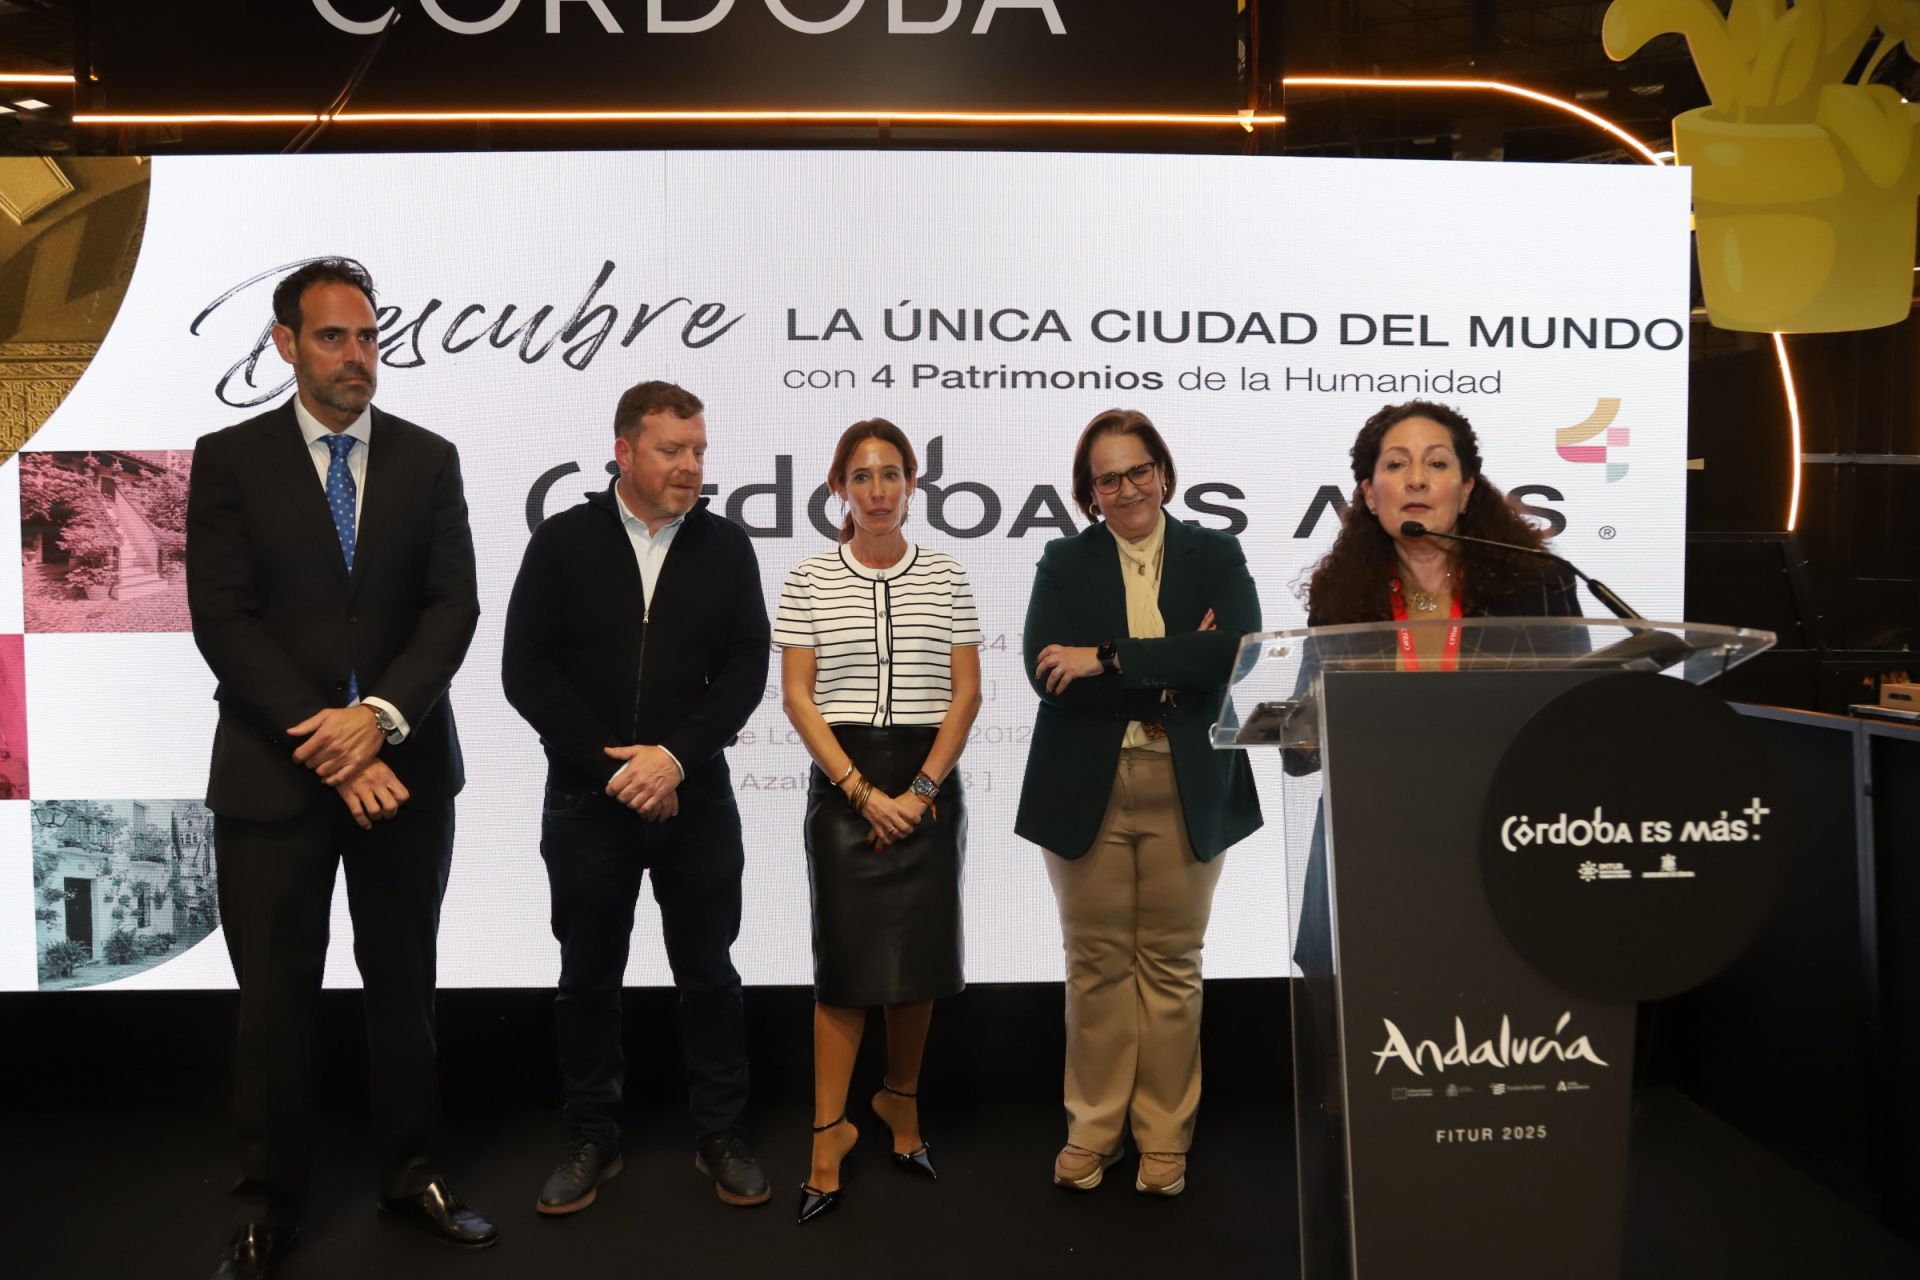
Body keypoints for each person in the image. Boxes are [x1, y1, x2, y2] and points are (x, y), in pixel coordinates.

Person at [186, 257, 490, 1280]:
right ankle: (271, 1205)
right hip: (275, 777)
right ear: (285, 344)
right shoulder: (228, 459)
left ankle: (412, 1174)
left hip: (403, 769)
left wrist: (380, 717)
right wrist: (326, 733)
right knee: (274, 1000)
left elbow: (453, 607)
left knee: (403, 986)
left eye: (367, 336)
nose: (357, 355)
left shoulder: (429, 457)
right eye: (332, 337)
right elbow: (224, 617)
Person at [501, 379, 773, 1216]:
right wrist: (614, 766)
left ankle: (720, 1134)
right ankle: (593, 1137)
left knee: (710, 974)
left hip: (697, 798)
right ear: (624, 452)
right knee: (586, 978)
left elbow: (745, 672)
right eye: (673, 450)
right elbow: (526, 670)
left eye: (698, 450)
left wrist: (675, 760)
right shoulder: (561, 541)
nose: (692, 465)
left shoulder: (727, 547)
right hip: (587, 800)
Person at [1015, 408, 1263, 1199]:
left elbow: (1235, 652)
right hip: (1087, 785)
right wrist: (1171, 666)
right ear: (1089, 491)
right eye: (1107, 478)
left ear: (1163, 470)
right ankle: (1093, 1129)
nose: (1126, 489)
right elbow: (1045, 671)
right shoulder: (1063, 561)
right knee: (1095, 965)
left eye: (1137, 470)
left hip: (1185, 782)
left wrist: (1111, 657)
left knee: (1172, 964)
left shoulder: (1215, 552)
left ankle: (1163, 1134)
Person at [774, 419, 983, 1224]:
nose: (878, 491)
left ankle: (901, 1103)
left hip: (930, 785)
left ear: (912, 485)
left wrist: (923, 792)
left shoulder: (949, 576)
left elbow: (965, 694)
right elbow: (798, 696)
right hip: (844, 788)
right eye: (861, 477)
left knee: (918, 963)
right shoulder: (807, 580)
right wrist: (864, 794)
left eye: (891, 475)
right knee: (845, 971)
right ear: (839, 490)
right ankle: (828, 1133)